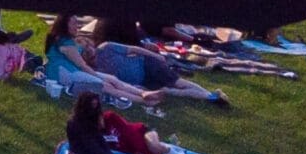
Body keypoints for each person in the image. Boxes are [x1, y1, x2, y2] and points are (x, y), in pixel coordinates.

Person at [43, 15, 163, 106]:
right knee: (105, 85)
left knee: (113, 79)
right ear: (64, 25)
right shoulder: (65, 43)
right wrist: (98, 76)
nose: (77, 27)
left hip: (73, 70)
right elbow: (82, 65)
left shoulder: (67, 40)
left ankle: (143, 93)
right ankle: (143, 100)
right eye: (73, 24)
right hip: (63, 73)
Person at [92, 39, 229, 107]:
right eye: (84, 49)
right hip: (143, 81)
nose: (88, 49)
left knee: (178, 83)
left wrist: (155, 56)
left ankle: (212, 97)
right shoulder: (93, 69)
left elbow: (134, 49)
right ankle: (212, 97)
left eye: (87, 45)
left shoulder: (106, 47)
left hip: (147, 64)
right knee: (169, 90)